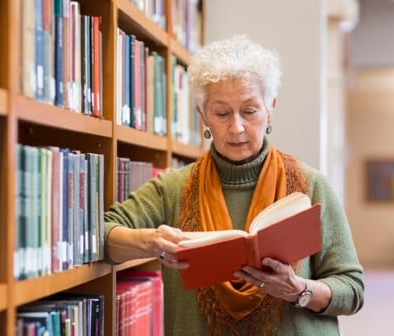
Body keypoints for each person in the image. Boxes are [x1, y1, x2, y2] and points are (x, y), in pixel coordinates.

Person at [103, 35, 364, 335]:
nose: (237, 127)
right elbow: (106, 235)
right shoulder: (173, 188)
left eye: (250, 111)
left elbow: (352, 289)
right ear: (203, 116)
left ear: (271, 108)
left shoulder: (310, 186)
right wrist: (151, 241)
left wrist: (298, 290)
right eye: (222, 113)